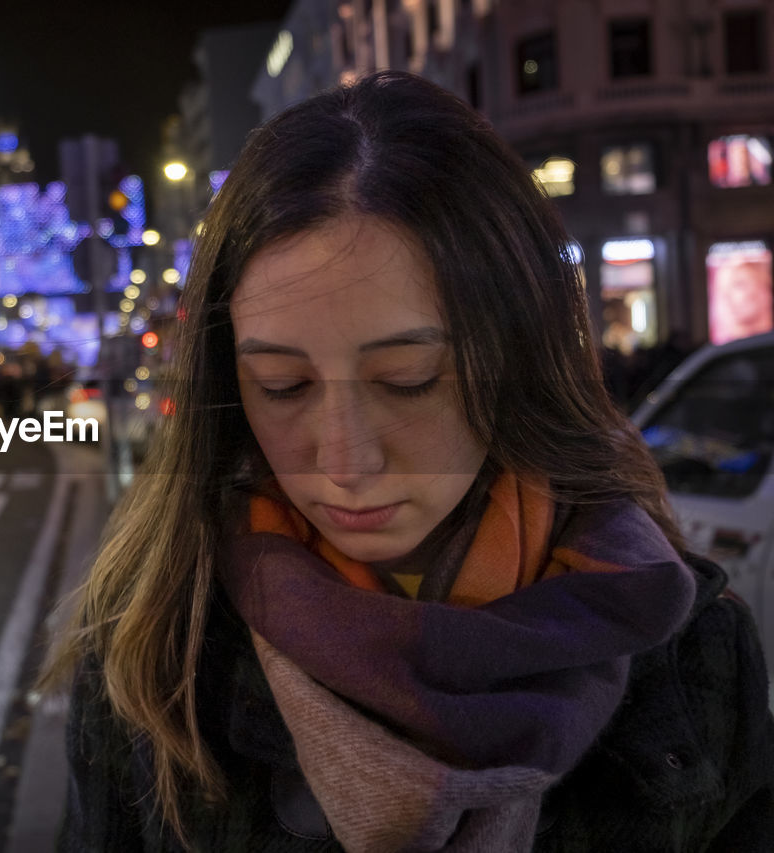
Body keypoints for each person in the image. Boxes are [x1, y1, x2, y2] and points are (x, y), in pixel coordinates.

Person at [43, 71, 774, 852]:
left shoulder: (697, 652)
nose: (344, 460)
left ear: (520, 359)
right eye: (282, 386)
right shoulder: (156, 651)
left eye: (408, 381)